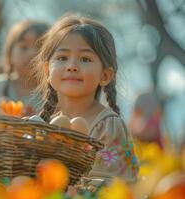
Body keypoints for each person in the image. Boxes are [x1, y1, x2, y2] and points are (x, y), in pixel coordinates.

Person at [32, 14, 138, 186]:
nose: (72, 66)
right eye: (62, 58)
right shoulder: (45, 125)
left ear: (105, 75)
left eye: (85, 59)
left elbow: (115, 186)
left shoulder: (108, 126)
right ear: (47, 71)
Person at [0, 20, 49, 115]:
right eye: (24, 47)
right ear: (10, 53)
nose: (31, 54)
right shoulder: (0, 86)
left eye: (39, 49)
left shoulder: (47, 93)